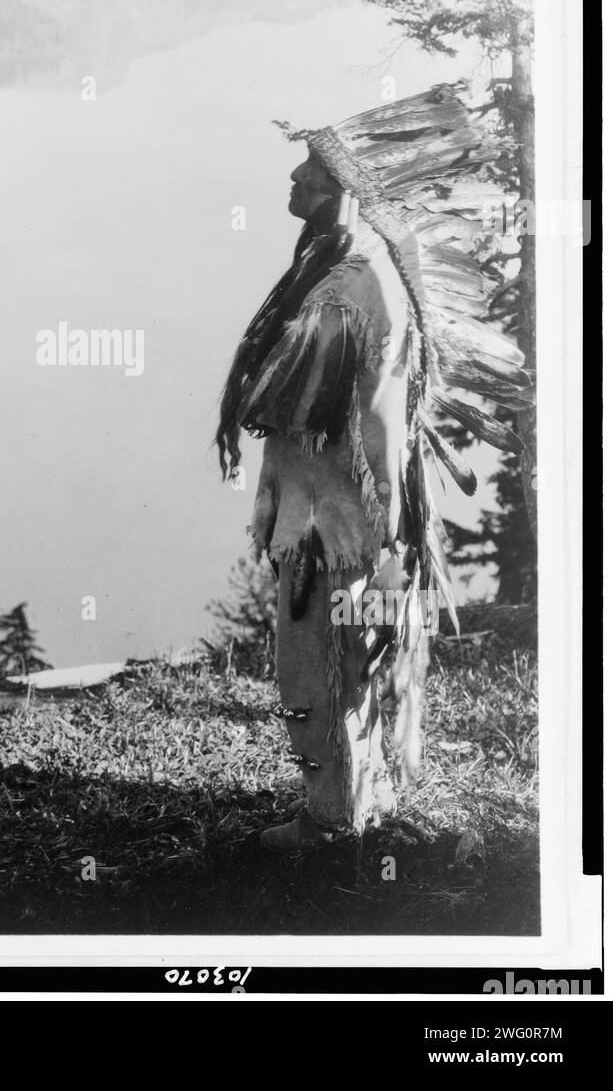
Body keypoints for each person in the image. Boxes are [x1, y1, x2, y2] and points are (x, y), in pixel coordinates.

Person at [216, 83, 531, 850]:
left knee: (319, 662)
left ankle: (332, 825)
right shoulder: (360, 269)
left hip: (336, 522)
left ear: (345, 193)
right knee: (348, 654)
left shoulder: (347, 292)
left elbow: (280, 399)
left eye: (308, 175)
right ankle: (359, 801)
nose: (294, 182)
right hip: (352, 516)